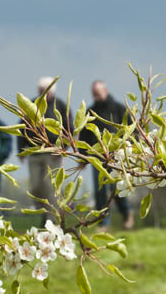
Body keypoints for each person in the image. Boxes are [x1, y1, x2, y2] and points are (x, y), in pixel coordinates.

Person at [80, 80, 134, 229]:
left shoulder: (119, 108)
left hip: (118, 156)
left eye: (97, 92)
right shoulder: (90, 112)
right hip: (97, 156)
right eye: (93, 93)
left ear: (105, 90)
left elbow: (130, 130)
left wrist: (131, 150)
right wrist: (82, 157)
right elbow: (84, 137)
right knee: (100, 191)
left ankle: (127, 214)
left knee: (118, 187)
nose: (95, 96)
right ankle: (103, 223)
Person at [17, 77, 72, 220]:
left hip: (52, 153)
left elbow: (69, 129)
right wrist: (21, 150)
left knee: (50, 186)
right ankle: (44, 213)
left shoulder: (60, 105)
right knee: (35, 187)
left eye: (45, 91)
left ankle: (51, 218)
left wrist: (63, 148)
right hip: (34, 152)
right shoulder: (31, 105)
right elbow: (22, 127)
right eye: (41, 91)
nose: (43, 93)